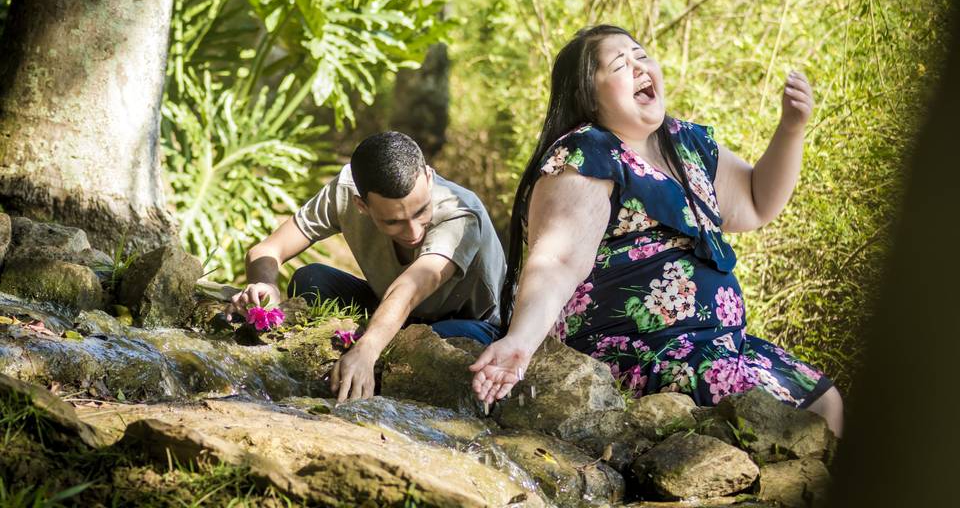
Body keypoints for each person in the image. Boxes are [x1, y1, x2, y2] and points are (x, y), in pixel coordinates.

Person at [469, 25, 843, 436]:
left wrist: (791, 127)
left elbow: (755, 202)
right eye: (619, 64)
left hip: (719, 345)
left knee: (825, 401)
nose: (638, 67)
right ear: (588, 97)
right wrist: (520, 341)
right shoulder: (587, 153)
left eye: (641, 56)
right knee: (784, 423)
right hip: (642, 353)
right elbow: (556, 260)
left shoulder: (683, 143)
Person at [228, 131, 505, 402]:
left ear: (429, 178)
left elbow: (410, 289)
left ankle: (371, 356)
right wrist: (265, 284)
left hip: (470, 324)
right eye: (393, 222)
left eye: (421, 212)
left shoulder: (461, 214)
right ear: (361, 205)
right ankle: (370, 349)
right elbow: (267, 250)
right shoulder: (347, 189)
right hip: (391, 309)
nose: (412, 232)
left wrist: (367, 350)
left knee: (432, 346)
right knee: (309, 278)